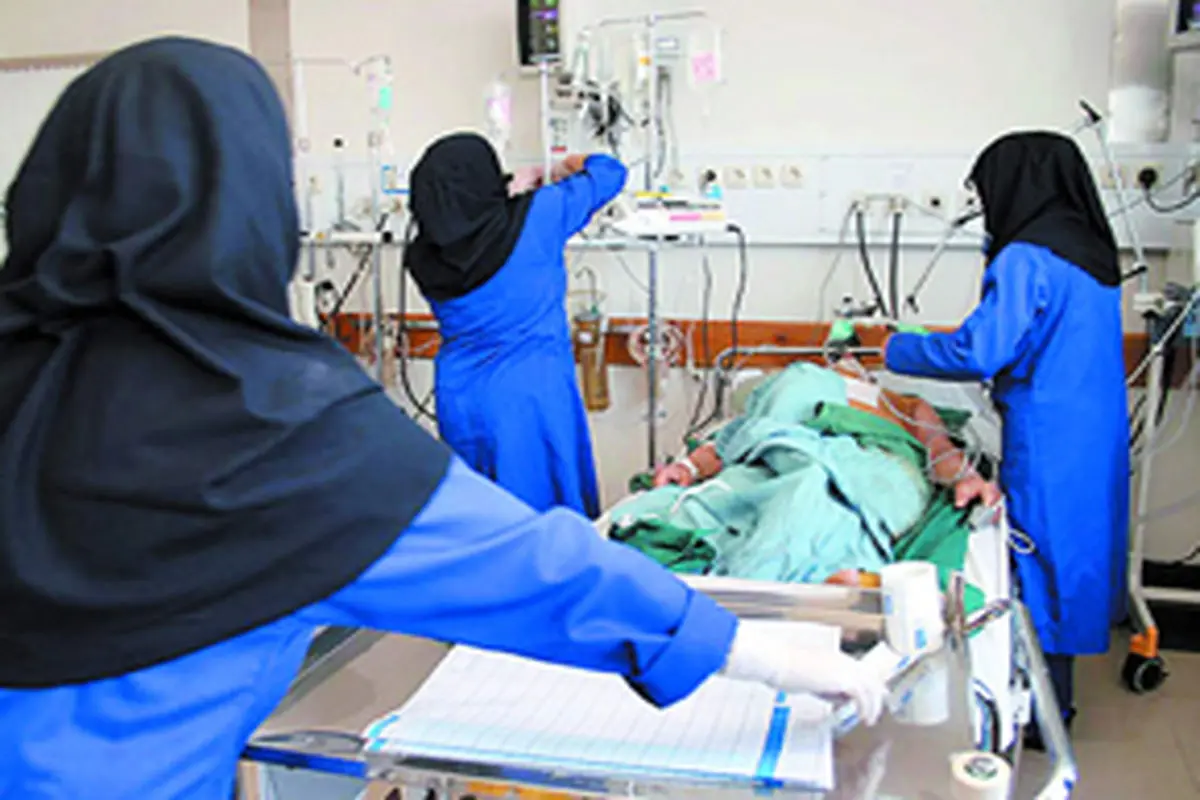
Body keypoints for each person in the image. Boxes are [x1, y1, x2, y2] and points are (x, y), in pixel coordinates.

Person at [0, 38, 885, 799]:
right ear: (258, 202)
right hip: (529, 390)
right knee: (544, 505)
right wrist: (746, 650)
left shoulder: (424, 258)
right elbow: (528, 566)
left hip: (465, 386)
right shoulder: (277, 428)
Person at [881, 131, 1130, 743]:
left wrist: (893, 346)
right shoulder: (1092, 255)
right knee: (1073, 555)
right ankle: (1059, 696)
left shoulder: (1026, 257)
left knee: (1038, 559)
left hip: (1048, 434)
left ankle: (1044, 712)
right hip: (1095, 431)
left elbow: (980, 351)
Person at [637, 356, 999, 589]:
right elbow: (739, 435)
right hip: (781, 451)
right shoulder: (797, 380)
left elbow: (940, 451)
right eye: (836, 358)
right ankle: (826, 574)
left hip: (872, 462)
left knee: (812, 489)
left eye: (854, 359)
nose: (846, 359)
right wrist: (688, 466)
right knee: (791, 487)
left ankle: (763, 581)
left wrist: (965, 477)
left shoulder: (900, 404)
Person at [405, 134, 622, 519]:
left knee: (481, 516)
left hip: (461, 396)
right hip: (529, 392)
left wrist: (510, 197)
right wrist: (568, 165)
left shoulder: (422, 255)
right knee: (544, 518)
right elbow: (609, 173)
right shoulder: (539, 215)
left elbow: (471, 231)